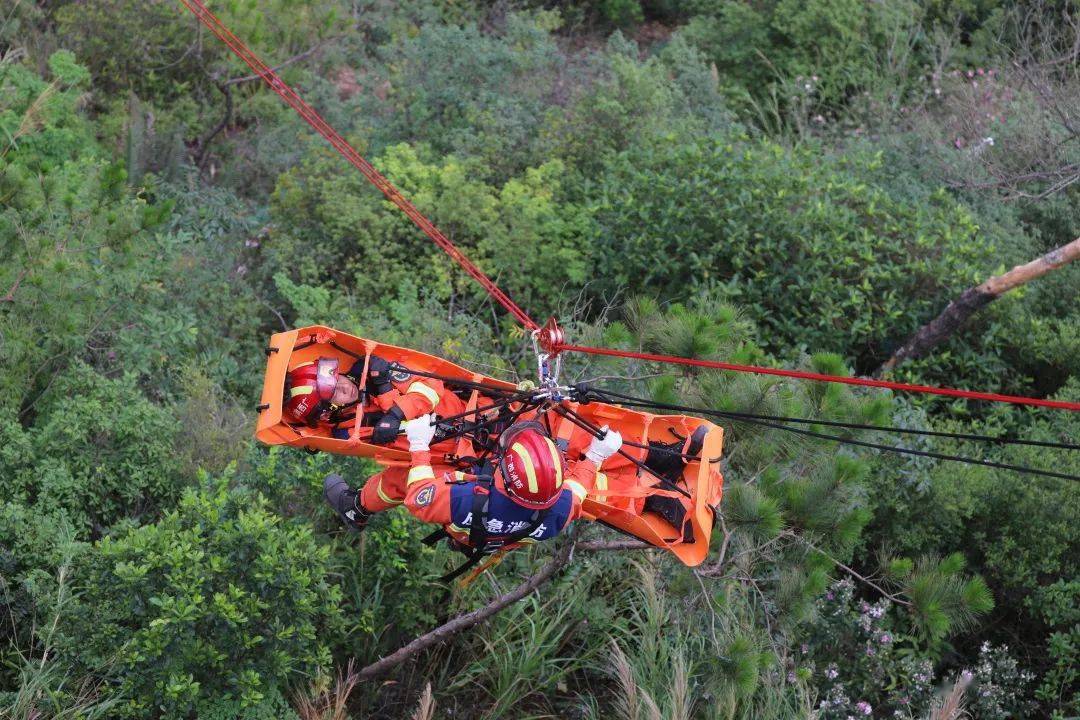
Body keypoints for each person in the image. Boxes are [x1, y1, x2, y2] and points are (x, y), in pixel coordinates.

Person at [323, 416, 624, 554]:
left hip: (467, 527)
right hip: (500, 533)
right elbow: (578, 489)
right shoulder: (559, 510)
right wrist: (596, 455)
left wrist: (418, 444)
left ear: (504, 476)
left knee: (402, 480)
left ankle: (356, 509)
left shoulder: (469, 500)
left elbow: (419, 499)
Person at [284, 354, 466, 444]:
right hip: (455, 448)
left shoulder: (373, 369)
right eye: (334, 393)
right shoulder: (347, 433)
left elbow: (431, 387)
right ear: (326, 412)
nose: (345, 387)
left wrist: (393, 409)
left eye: (337, 378)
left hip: (469, 407)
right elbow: (403, 439)